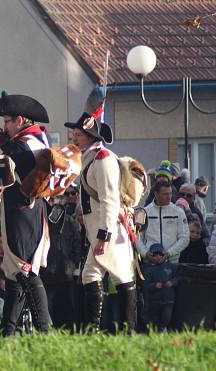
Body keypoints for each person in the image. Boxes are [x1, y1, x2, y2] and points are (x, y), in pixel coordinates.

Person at [0, 92, 52, 335]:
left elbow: (15, 160)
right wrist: (4, 141)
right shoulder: (32, 140)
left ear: (21, 120)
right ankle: (8, 331)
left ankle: (44, 331)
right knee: (14, 275)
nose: (4, 126)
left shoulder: (26, 144)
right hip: (23, 211)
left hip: (23, 212)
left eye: (8, 121)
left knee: (25, 271)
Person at [66, 111, 137, 333]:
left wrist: (104, 236)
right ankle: (96, 330)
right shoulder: (89, 158)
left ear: (90, 136)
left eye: (78, 134)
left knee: (121, 277)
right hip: (98, 230)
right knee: (93, 275)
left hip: (109, 231)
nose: (74, 138)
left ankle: (127, 330)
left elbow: (110, 200)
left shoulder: (103, 159)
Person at [42, 194, 83, 329]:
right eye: (52, 199)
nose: (54, 202)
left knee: (69, 305)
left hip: (66, 272)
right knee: (47, 306)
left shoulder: (70, 222)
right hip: (48, 272)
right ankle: (47, 331)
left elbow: (77, 244)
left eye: (57, 199)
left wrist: (72, 265)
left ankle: (71, 330)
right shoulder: (43, 221)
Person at [137, 182, 189, 263]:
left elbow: (185, 238)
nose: (169, 197)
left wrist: (169, 253)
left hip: (172, 262)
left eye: (170, 193)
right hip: (149, 263)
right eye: (165, 194)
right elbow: (137, 238)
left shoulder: (179, 212)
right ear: (156, 194)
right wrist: (146, 254)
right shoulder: (143, 212)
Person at [141, 243, 178, 332]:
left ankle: (164, 329)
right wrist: (155, 285)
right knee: (155, 318)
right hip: (155, 300)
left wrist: (172, 282)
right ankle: (155, 331)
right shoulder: (148, 269)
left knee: (166, 317)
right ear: (150, 255)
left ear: (164, 254)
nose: (158, 257)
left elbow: (178, 278)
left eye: (160, 254)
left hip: (169, 299)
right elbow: (145, 285)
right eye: (155, 255)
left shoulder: (171, 266)